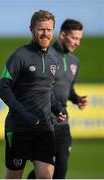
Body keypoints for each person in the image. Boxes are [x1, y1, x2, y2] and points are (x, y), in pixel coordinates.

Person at [0, 10, 64, 179]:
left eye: (49, 29)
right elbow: (3, 88)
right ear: (32, 29)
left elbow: (46, 89)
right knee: (14, 177)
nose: (46, 33)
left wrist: (56, 109)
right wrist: (26, 115)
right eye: (41, 29)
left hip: (44, 128)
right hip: (19, 128)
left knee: (46, 176)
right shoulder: (20, 55)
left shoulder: (54, 59)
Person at [27, 19, 87, 179]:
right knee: (46, 172)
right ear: (62, 34)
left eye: (79, 39)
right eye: (74, 38)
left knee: (61, 170)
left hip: (63, 123)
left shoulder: (75, 61)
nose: (77, 43)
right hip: (44, 123)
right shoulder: (46, 56)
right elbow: (39, 89)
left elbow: (68, 89)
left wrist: (76, 99)